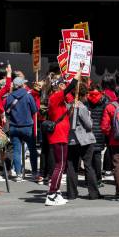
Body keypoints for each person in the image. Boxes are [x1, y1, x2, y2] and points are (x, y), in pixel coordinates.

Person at [44, 72, 77, 206]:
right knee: (60, 165)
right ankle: (52, 194)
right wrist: (78, 72)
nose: (64, 86)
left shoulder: (57, 98)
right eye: (62, 84)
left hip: (61, 134)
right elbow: (72, 86)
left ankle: (55, 192)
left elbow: (69, 98)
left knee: (60, 165)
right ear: (58, 87)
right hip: (59, 135)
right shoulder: (56, 96)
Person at [65, 80, 100, 201]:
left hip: (71, 139)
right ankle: (93, 193)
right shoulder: (82, 107)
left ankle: (71, 193)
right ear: (83, 95)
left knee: (71, 167)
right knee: (88, 166)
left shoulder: (68, 105)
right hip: (84, 139)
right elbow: (89, 125)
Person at [3, 77, 39, 182]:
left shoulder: (10, 97)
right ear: (22, 85)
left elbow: (6, 110)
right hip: (27, 127)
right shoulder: (28, 96)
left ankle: (18, 174)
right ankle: (34, 172)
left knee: (17, 151)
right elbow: (34, 110)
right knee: (32, 150)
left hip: (14, 126)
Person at [86, 83, 109, 187]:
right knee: (97, 156)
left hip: (88, 130)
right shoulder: (104, 100)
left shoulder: (86, 99)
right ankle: (98, 180)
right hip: (100, 131)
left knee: (88, 157)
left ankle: (88, 180)